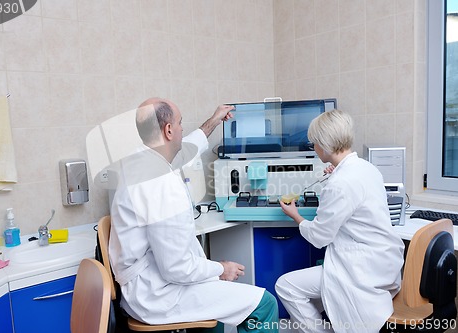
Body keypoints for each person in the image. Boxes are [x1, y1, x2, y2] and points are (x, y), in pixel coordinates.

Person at [109, 97, 279, 332]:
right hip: (157, 294)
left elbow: (187, 147)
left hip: (142, 286)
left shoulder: (140, 160)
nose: (181, 129)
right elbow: (177, 268)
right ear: (168, 130)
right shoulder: (161, 184)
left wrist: (214, 120)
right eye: (180, 124)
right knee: (264, 304)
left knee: (218, 301)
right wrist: (221, 268)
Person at [275, 109, 405, 333]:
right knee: (315, 293)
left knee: (286, 286)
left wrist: (296, 216)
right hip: (384, 262)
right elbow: (349, 204)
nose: (313, 148)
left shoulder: (341, 182)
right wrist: (335, 174)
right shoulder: (366, 168)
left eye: (314, 143)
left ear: (324, 145)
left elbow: (319, 237)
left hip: (359, 270)